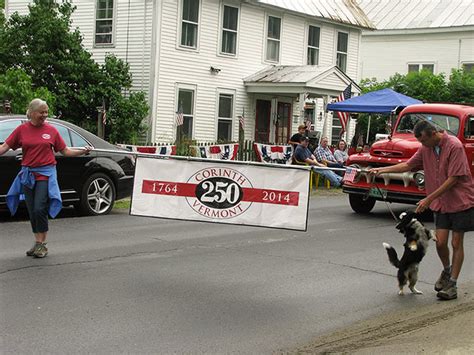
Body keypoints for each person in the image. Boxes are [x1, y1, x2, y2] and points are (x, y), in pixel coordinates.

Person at [369, 120, 474, 300]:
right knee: (440, 242)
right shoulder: (426, 148)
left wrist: (429, 198)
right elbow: (409, 165)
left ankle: (453, 285)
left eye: (424, 141)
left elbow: (454, 179)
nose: (422, 145)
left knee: (456, 243)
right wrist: (381, 170)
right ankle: (447, 271)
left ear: (434, 134)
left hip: (460, 201)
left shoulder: (454, 146)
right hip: (441, 203)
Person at [0, 99, 92, 258]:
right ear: (32, 112)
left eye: (46, 111)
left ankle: (43, 244)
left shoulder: (51, 131)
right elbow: (3, 147)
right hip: (28, 174)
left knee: (39, 207)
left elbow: (65, 151)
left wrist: (82, 151)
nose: (45, 115)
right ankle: (37, 242)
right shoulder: (22, 129)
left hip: (45, 174)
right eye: (42, 112)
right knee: (31, 210)